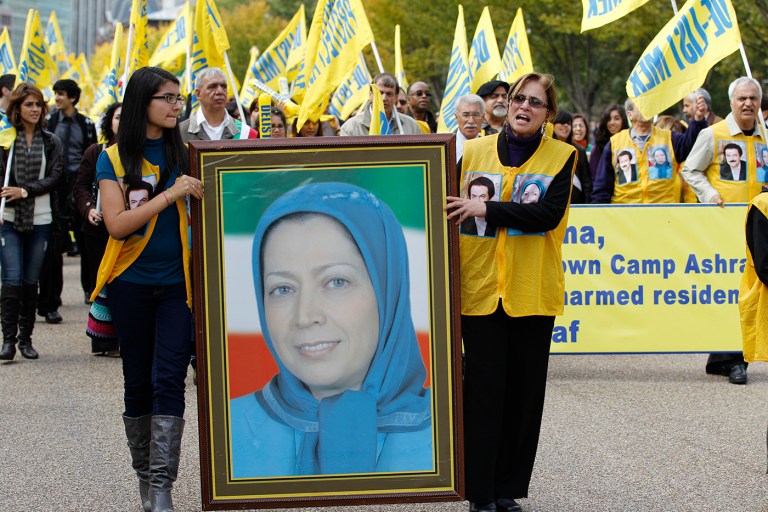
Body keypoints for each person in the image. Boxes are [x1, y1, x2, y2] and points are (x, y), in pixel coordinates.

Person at [230, 182, 432, 477]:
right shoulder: (228, 427)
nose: (305, 316)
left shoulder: (449, 431)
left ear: (387, 290)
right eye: (283, 288)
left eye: (336, 282)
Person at [445, 72, 577, 512]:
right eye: (518, 98)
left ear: (549, 113)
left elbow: (546, 213)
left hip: (530, 292)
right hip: (479, 290)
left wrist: (486, 207)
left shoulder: (563, 155)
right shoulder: (472, 151)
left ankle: (506, 490)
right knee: (483, 394)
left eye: (535, 103)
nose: (523, 107)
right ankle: (479, 493)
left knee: (523, 398)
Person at [93, 66, 203, 512]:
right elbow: (117, 225)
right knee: (137, 381)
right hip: (129, 285)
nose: (177, 105)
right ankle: (145, 479)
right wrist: (170, 194)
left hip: (179, 287)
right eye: (168, 98)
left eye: (179, 98)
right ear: (144, 103)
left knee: (170, 380)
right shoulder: (112, 158)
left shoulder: (189, 154)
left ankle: (162, 488)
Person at [681, 76, 766, 385]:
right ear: (732, 102)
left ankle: (735, 355)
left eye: (753, 99)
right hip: (724, 226)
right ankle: (730, 359)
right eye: (742, 98)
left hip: (758, 228)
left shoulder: (765, 138)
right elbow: (690, 169)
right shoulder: (712, 135)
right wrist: (709, 195)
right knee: (730, 290)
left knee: (752, 291)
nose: (748, 103)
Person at [0, 83, 64, 361]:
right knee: (11, 279)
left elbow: (56, 176)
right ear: (17, 108)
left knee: (30, 280)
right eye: (29, 104)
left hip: (41, 219)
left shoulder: (51, 141)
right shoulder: (5, 139)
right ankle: (8, 342)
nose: (35, 109)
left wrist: (25, 191)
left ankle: (26, 339)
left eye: (38, 104)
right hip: (9, 218)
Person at [39, 78, 98, 322]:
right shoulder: (49, 122)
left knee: (86, 239)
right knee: (56, 244)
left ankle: (89, 288)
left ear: (72, 97)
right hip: (57, 187)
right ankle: (53, 297)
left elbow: (92, 154)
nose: (57, 98)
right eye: (55, 93)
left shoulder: (86, 123)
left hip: (80, 184)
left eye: (61, 94)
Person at [73, 101, 121, 355]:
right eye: (117, 117)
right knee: (99, 282)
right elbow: (80, 186)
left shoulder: (138, 152)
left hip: (127, 230)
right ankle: (102, 339)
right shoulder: (96, 151)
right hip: (97, 228)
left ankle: (124, 335)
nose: (121, 122)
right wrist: (89, 208)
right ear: (108, 122)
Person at [591, 97, 707, 203]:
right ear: (629, 114)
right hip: (626, 218)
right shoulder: (614, 144)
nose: (647, 108)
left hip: (663, 215)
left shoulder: (669, 138)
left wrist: (698, 120)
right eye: (641, 105)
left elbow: (692, 144)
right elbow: (602, 187)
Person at [179, 67, 256, 142]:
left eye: (224, 86)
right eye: (212, 87)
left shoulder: (246, 133)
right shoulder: (180, 133)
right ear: (198, 94)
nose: (220, 91)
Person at [340, 73, 421, 136]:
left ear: (396, 97)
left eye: (389, 94)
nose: (384, 98)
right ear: (370, 94)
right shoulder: (350, 127)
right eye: (379, 93)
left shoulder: (412, 126)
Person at [551, 110, 592, 203]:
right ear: (552, 125)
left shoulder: (579, 151)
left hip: (577, 207)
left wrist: (587, 206)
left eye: (568, 123)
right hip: (552, 206)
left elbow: (587, 184)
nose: (566, 126)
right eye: (562, 122)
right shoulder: (544, 149)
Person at [588, 104, 629, 179]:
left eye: (616, 119)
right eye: (609, 119)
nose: (612, 122)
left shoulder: (630, 143)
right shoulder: (598, 147)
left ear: (623, 120)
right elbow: (594, 177)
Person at [454, 93, 484, 162]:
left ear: (483, 118)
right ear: (456, 117)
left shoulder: (491, 147)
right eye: (465, 115)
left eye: (476, 115)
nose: (471, 121)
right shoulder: (446, 147)